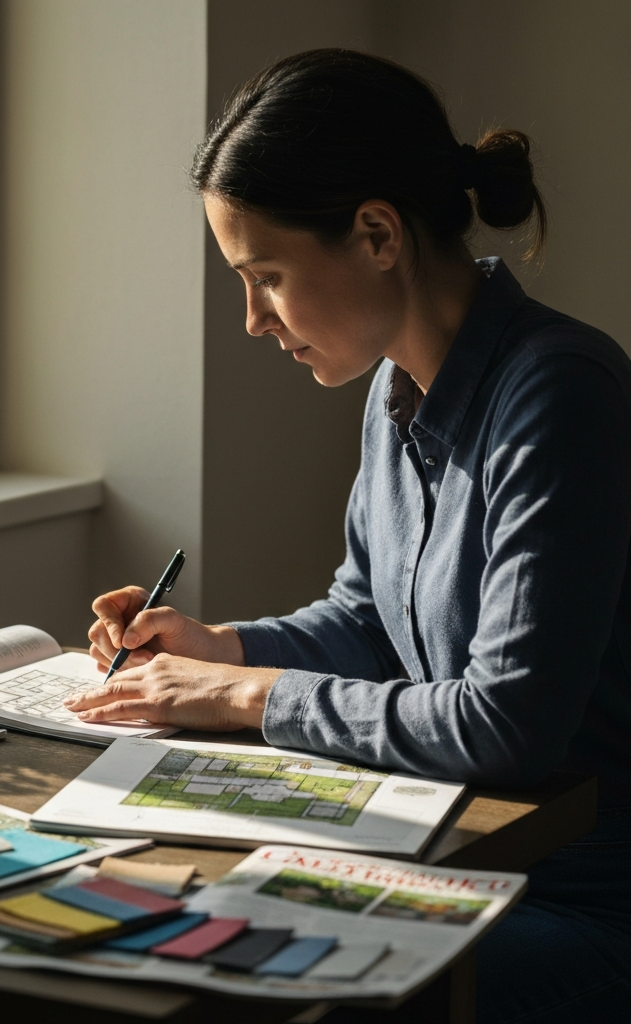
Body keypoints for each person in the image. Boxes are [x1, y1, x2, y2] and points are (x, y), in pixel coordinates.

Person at [63, 50, 631, 1024]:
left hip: (574, 904)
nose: (251, 320)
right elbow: (371, 617)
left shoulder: (559, 391)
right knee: (126, 927)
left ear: (375, 234)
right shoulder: (392, 390)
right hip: (438, 861)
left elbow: (504, 726)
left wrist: (247, 693)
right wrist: (220, 647)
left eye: (266, 277)